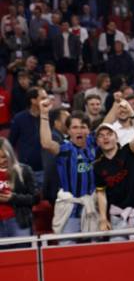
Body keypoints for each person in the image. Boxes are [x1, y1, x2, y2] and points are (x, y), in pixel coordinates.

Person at [40, 101, 98, 239]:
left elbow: (108, 122)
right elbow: (46, 143)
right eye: (75, 127)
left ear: (88, 130)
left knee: (94, 252)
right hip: (70, 209)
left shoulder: (93, 143)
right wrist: (43, 114)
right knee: (67, 251)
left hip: (91, 207)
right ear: (68, 131)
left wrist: (118, 103)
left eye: (83, 127)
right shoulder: (65, 149)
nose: (79, 131)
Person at [94, 106, 134, 241]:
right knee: (119, 253)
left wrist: (132, 114)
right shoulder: (97, 165)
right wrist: (103, 218)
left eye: (109, 134)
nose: (105, 138)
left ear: (116, 137)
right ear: (97, 142)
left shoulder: (128, 150)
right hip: (117, 215)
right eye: (101, 136)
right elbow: (101, 192)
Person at [9, 87, 46, 190]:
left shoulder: (49, 118)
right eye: (43, 98)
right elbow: (10, 143)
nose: (46, 101)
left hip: (45, 169)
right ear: (33, 100)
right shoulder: (19, 118)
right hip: (24, 170)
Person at [0, 138, 37, 240]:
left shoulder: (24, 171)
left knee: (23, 254)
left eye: (4, 157)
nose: (1, 161)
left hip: (18, 222)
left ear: (10, 154)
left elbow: (35, 198)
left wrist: (13, 198)